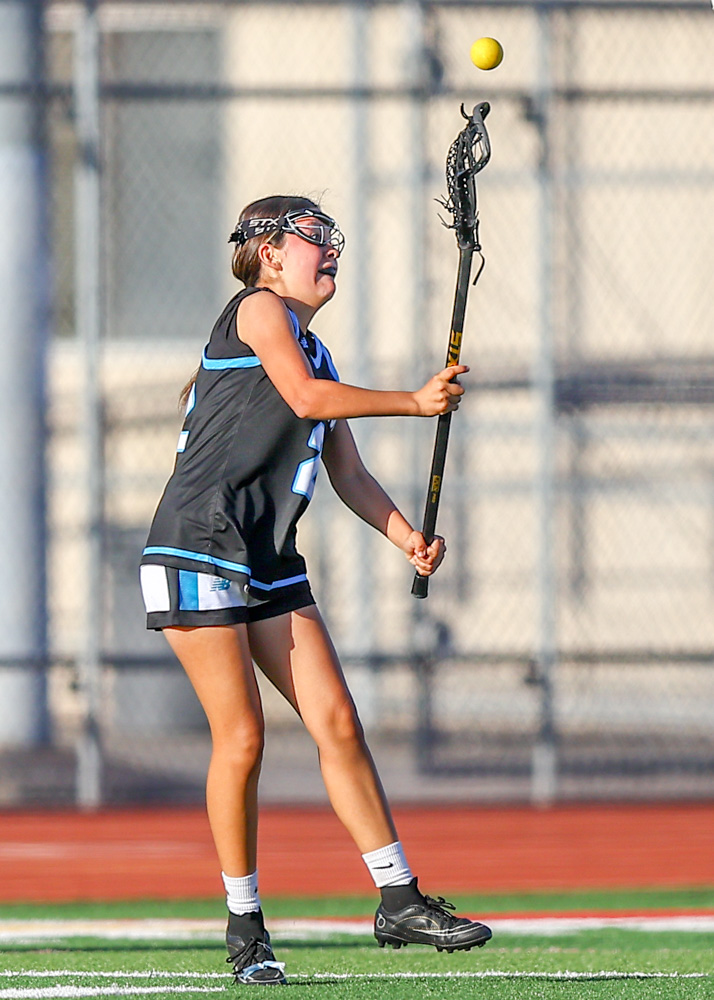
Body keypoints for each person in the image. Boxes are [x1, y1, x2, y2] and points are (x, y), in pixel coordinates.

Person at [140, 194, 492, 985]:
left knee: (337, 720)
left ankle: (398, 899)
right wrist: (413, 401)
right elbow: (303, 399)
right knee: (243, 738)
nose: (330, 250)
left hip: (267, 554)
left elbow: (349, 473)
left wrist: (407, 537)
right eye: (312, 237)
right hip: (199, 546)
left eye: (332, 238)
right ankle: (245, 928)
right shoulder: (259, 310)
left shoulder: (317, 349)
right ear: (268, 253)